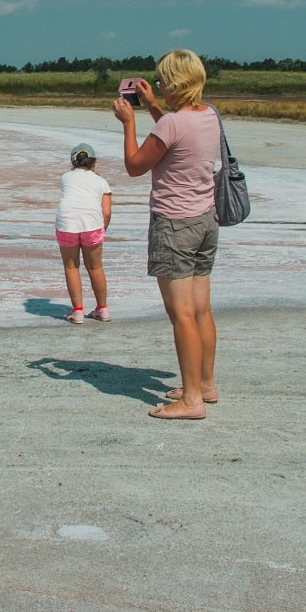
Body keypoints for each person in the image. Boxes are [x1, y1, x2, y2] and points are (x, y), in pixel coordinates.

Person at [114, 49, 221, 421]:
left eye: (162, 80)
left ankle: (191, 399)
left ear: (175, 83)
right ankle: (204, 384)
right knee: (201, 309)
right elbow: (176, 137)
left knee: (182, 315)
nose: (158, 84)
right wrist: (153, 106)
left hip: (174, 226)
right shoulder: (208, 116)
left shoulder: (171, 124)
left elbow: (134, 166)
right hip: (206, 220)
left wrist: (128, 121)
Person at [55, 142, 113, 323]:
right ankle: (102, 309)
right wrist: (101, 230)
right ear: (94, 163)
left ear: (73, 163)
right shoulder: (102, 182)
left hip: (67, 222)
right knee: (95, 267)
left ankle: (78, 312)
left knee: (71, 267)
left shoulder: (65, 177)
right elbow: (107, 212)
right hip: (93, 223)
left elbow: (75, 185)